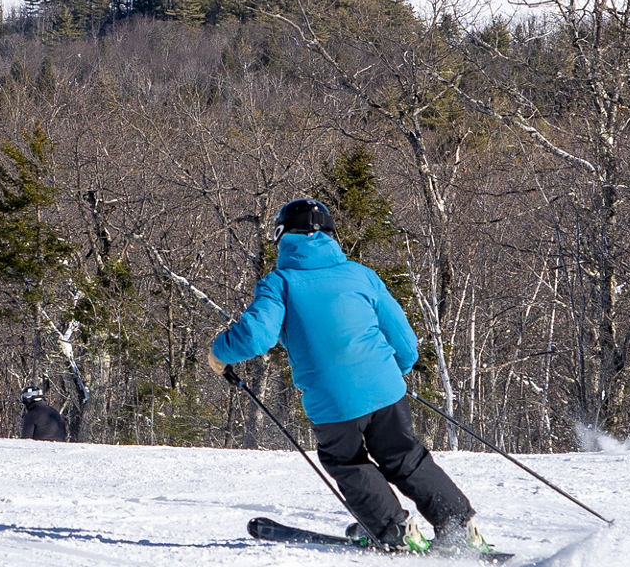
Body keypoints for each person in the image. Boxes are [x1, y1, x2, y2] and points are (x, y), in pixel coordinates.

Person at [203, 198, 483, 555]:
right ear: (331, 236)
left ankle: (394, 528)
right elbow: (406, 344)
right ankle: (461, 525)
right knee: (405, 457)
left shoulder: (280, 283)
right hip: (387, 390)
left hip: (333, 402)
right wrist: (390, 375)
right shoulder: (361, 274)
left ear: (281, 235)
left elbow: (257, 336)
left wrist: (218, 355)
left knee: (347, 462)